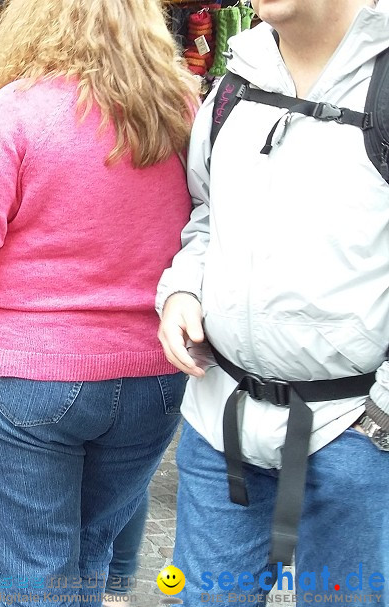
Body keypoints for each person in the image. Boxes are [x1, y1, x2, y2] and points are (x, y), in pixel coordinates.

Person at [0, 0, 199, 605]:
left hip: (22, 377)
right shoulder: (181, 114)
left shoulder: (17, 112)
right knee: (90, 557)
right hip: (152, 377)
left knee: (37, 576)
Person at [156, 1, 389, 604]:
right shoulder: (236, 83)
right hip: (221, 428)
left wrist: (380, 420)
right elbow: (207, 215)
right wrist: (183, 289)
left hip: (355, 439)